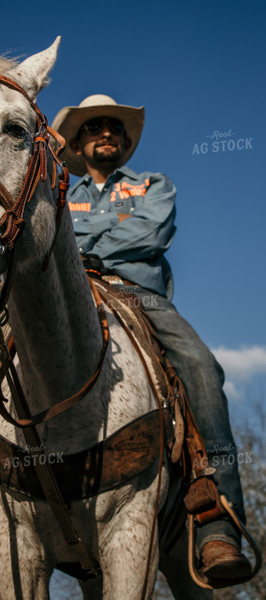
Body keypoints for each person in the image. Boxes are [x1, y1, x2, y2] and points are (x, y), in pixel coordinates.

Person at [51, 94, 251, 582]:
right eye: (95, 127)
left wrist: (81, 247)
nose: (106, 133)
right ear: (76, 142)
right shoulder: (56, 193)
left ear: (124, 141)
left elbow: (150, 234)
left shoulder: (153, 185)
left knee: (203, 369)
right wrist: (86, 248)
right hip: (67, 298)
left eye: (114, 127)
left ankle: (216, 516)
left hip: (139, 297)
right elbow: (44, 236)